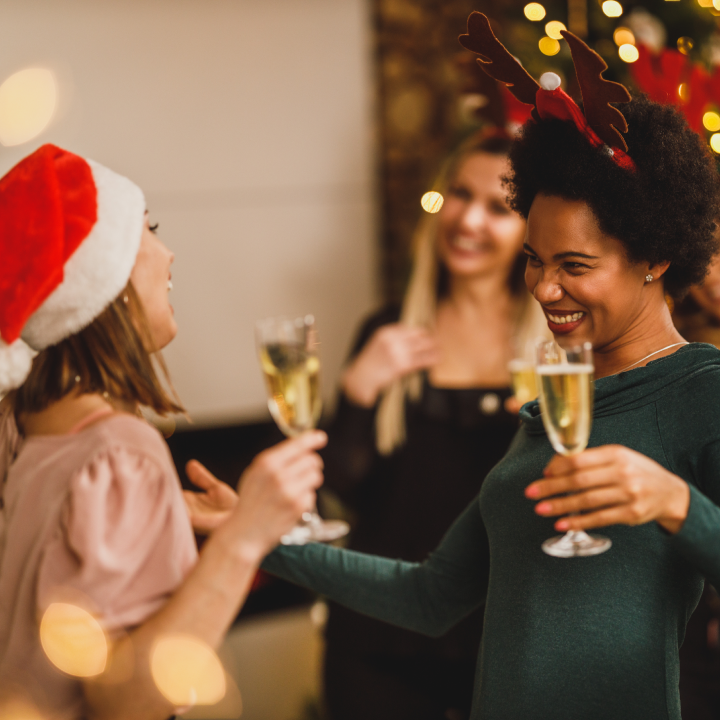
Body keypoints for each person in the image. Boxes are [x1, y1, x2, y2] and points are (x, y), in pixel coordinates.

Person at [184, 18, 720, 719]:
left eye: (575, 266)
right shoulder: (553, 410)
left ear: (656, 259)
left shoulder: (701, 389)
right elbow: (431, 595)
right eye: (535, 258)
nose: (543, 288)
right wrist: (256, 536)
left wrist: (675, 503)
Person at [0, 144, 326, 720]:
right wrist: (244, 536)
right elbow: (127, 700)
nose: (168, 252)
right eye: (148, 227)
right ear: (107, 277)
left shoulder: (21, 426)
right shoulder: (121, 451)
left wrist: (168, 517)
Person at [317, 129, 546, 720]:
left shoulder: (556, 348)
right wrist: (359, 390)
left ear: (531, 231)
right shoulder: (387, 330)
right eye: (458, 195)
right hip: (379, 632)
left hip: (505, 634)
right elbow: (339, 486)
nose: (468, 220)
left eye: (498, 208)